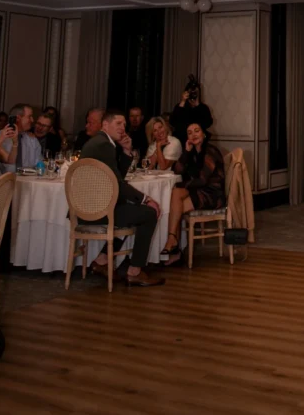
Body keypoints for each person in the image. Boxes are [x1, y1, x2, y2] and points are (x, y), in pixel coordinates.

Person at [80, 111, 164, 288]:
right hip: (96, 211)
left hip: (89, 208)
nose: (123, 128)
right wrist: (146, 198)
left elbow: (115, 178)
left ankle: (102, 261)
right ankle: (135, 271)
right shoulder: (104, 145)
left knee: (129, 209)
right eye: (118, 123)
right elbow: (117, 184)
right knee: (149, 213)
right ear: (105, 125)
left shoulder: (102, 142)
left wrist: (126, 151)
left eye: (124, 125)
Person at [160, 122, 225, 264]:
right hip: (199, 191)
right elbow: (177, 170)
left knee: (174, 207)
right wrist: (186, 152)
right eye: (190, 132)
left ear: (204, 134)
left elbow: (202, 180)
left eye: (197, 131)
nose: (193, 134)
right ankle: (173, 242)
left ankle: (173, 245)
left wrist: (182, 185)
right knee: (176, 200)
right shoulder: (193, 152)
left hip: (213, 194)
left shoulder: (210, 151)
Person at [0, 103, 41, 172]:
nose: (32, 120)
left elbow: (39, 165)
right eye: (29, 117)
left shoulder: (32, 140)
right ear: (18, 118)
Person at [170, 80, 212, 146]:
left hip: (198, 142)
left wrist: (198, 105)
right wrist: (183, 101)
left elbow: (207, 123)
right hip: (181, 140)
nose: (193, 94)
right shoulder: (180, 106)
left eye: (195, 92)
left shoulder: (203, 108)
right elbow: (173, 122)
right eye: (191, 92)